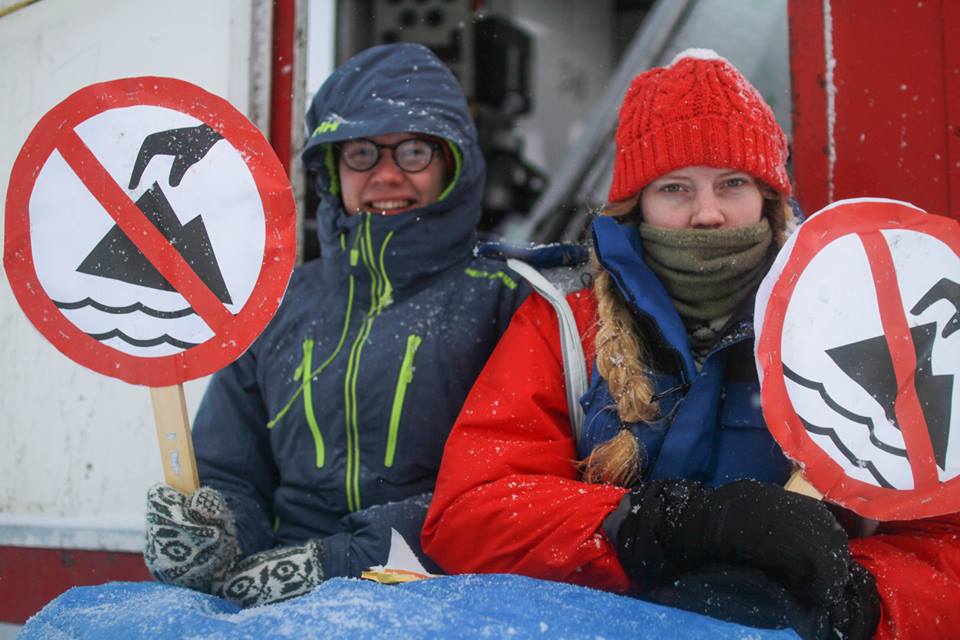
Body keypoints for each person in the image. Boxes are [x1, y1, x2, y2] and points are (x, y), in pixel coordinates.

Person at [422, 49, 960, 639]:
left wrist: (857, 601)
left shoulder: (865, 319)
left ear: (769, 197)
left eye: (732, 184)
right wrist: (655, 528)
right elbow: (472, 513)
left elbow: (947, 546)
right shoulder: (565, 323)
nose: (708, 215)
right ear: (637, 205)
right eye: (675, 188)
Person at [143, 42, 528, 607]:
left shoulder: (507, 298)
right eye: (362, 154)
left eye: (415, 151)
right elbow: (230, 470)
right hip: (276, 591)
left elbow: (511, 486)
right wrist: (216, 537)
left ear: (454, 165)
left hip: (447, 591)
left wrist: (342, 561)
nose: (388, 175)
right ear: (333, 171)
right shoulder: (281, 304)